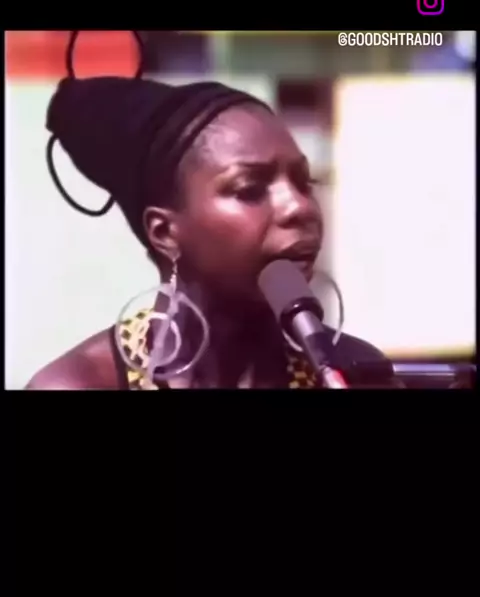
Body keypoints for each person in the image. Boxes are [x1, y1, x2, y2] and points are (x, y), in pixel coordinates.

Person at [26, 73, 398, 390]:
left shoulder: (352, 374)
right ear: (164, 232)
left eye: (305, 183)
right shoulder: (80, 384)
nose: (299, 207)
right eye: (250, 189)